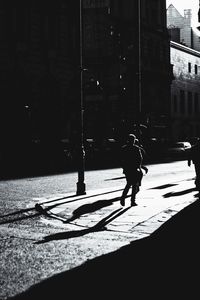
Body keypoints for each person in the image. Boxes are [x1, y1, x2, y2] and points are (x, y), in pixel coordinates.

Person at [120, 133, 143, 206]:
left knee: (128, 184)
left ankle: (123, 198)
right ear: (133, 141)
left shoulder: (124, 148)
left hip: (127, 169)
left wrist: (124, 167)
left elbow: (121, 159)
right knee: (134, 185)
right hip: (134, 168)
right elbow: (140, 158)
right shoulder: (136, 148)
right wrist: (139, 167)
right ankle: (132, 201)